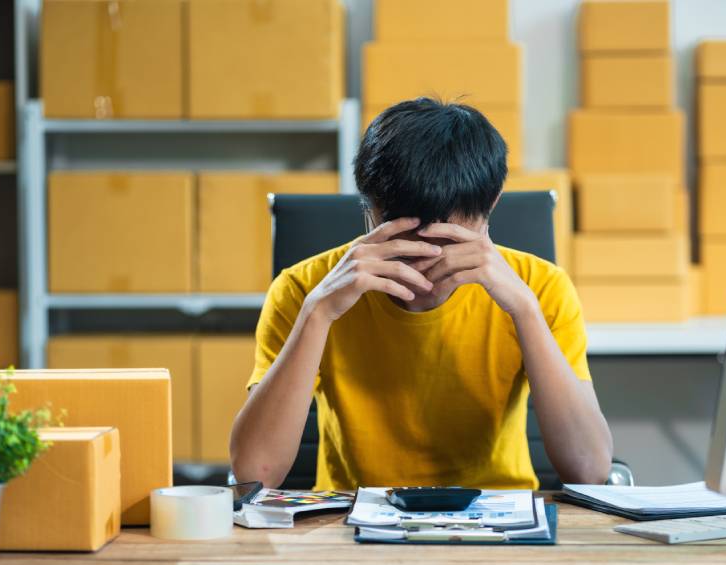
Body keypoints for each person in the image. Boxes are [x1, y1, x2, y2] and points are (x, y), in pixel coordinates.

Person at [231, 98, 612, 490]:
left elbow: (589, 469)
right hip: (353, 520)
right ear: (369, 210)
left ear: (491, 204)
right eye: (401, 240)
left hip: (499, 520)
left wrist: (525, 312)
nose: (424, 265)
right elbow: (255, 473)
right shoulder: (303, 289)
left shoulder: (540, 287)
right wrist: (318, 314)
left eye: (447, 242)